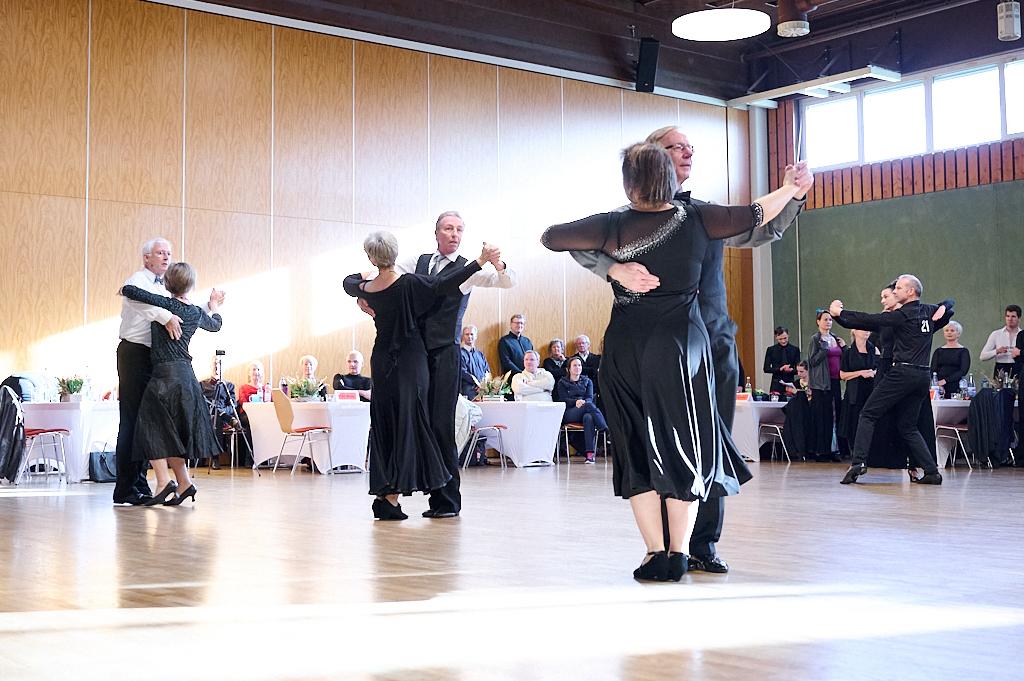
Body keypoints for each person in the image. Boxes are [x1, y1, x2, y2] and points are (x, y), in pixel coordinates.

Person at [542, 142, 804, 581]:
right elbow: (757, 214)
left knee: (635, 444)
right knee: (682, 440)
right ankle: (681, 551)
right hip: (680, 345)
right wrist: (789, 188)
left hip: (624, 346)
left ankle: (653, 551)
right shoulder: (698, 218)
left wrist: (612, 268)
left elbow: (552, 237)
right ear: (669, 179)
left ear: (628, 183)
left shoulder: (612, 225)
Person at [344, 231, 499, 520]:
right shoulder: (410, 283)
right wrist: (479, 261)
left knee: (386, 426)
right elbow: (446, 284)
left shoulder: (366, 288)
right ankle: (416, 488)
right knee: (412, 424)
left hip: (381, 361)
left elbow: (348, 282)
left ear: (370, 257)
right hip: (410, 361)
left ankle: (386, 497)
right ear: (396, 253)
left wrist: (362, 291)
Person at [385, 210, 517, 518]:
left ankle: (446, 501)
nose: (454, 233)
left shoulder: (470, 269)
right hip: (414, 353)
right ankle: (398, 492)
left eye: (459, 229)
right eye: (448, 228)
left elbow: (508, 282)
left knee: (441, 425)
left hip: (445, 354)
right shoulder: (415, 263)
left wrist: (498, 261)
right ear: (437, 233)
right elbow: (387, 276)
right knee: (413, 421)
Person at [119, 262, 225, 505]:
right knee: (173, 432)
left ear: (166, 284)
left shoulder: (164, 304)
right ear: (192, 286)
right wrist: (214, 305)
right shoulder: (196, 313)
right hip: (187, 377)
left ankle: (164, 481)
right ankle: (185, 482)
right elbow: (216, 324)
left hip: (163, 377)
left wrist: (163, 310)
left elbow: (130, 290)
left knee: (148, 428)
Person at [832, 275, 953, 486]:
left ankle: (858, 462)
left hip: (902, 373)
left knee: (868, 413)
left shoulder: (901, 316)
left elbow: (867, 320)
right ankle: (932, 471)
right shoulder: (928, 311)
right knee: (907, 426)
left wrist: (838, 313)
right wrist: (944, 306)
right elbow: (949, 306)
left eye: (898, 288)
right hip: (922, 376)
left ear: (911, 292)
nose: (895, 291)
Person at [112, 237, 196, 506]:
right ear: (146, 257)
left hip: (155, 358)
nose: (166, 257)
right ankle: (126, 488)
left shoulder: (168, 288)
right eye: (160, 253)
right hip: (134, 353)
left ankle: (148, 484)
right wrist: (165, 317)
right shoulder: (137, 280)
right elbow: (136, 300)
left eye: (169, 253)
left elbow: (184, 311)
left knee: (151, 422)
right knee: (133, 420)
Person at [553, 355, 608, 463]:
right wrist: (575, 402)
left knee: (589, 418)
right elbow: (563, 399)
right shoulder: (562, 382)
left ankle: (589, 455)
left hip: (586, 409)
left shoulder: (588, 381)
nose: (577, 367)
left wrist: (584, 403)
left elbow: (589, 397)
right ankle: (604, 428)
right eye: (574, 365)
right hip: (569, 412)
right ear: (569, 368)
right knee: (588, 406)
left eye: (579, 365)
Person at [806, 309, 845, 461]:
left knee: (835, 416)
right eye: (825, 319)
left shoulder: (835, 338)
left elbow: (841, 355)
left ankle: (834, 449)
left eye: (830, 320)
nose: (828, 322)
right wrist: (824, 348)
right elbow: (813, 361)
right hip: (821, 384)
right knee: (823, 417)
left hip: (835, 381)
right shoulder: (815, 339)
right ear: (818, 321)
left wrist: (843, 346)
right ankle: (822, 451)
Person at [838, 329, 877, 457]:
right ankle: (856, 452)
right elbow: (842, 375)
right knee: (854, 421)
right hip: (855, 392)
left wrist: (873, 372)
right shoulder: (848, 352)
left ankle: (870, 452)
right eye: (863, 329)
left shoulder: (874, 350)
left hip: (871, 390)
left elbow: (880, 369)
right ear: (854, 332)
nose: (866, 331)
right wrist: (860, 373)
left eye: (867, 329)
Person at [199, 354, 239, 470]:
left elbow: (233, 405)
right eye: (215, 363)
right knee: (213, 414)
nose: (217, 366)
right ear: (211, 366)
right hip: (205, 415)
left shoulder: (229, 386)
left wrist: (222, 412)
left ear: (223, 367)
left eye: (219, 364)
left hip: (220, 419)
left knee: (217, 417)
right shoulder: (202, 384)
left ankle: (215, 458)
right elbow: (198, 403)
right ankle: (215, 458)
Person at [781, 361, 813, 460]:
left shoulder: (814, 382)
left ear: (808, 371)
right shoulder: (797, 383)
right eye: (798, 371)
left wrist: (798, 393)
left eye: (801, 372)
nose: (799, 374)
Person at [979, 305, 1021, 381]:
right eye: (1007, 316)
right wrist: (997, 351)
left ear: (1019, 318)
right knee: (998, 392)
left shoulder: (1022, 335)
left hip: (1018, 368)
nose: (1010, 319)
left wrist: (1019, 353)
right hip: (1000, 368)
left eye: (1013, 316)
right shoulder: (996, 334)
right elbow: (982, 356)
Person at [931, 321, 971, 396]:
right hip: (939, 386)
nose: (949, 333)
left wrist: (945, 381)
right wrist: (938, 384)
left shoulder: (963, 351)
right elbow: (933, 370)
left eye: (952, 331)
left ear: (958, 334)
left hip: (956, 384)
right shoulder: (938, 351)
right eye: (947, 331)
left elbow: (963, 370)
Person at [763, 326, 800, 395]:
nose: (783, 341)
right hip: (776, 383)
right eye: (780, 339)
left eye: (785, 338)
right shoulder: (771, 350)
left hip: (790, 383)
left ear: (788, 335)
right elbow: (766, 369)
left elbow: (798, 369)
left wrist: (791, 370)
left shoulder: (795, 350)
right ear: (776, 337)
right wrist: (780, 369)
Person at [458, 326, 490, 399]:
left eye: (472, 334)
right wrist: (478, 384)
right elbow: (463, 372)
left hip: (484, 391)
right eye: (467, 334)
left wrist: (484, 386)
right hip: (469, 390)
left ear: (475, 336)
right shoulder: (460, 354)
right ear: (463, 336)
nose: (469, 336)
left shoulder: (480, 354)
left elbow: (487, 371)